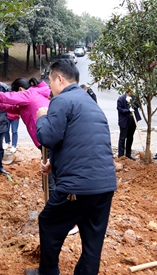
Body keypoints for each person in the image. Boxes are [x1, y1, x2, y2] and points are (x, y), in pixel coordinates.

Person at [25, 59, 116, 275]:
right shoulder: (90, 103)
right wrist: (53, 163)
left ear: (59, 78)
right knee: (92, 239)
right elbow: (81, 142)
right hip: (104, 185)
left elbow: (48, 137)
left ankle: (48, 272)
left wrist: (41, 118)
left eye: (50, 81)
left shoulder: (62, 100)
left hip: (78, 185)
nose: (50, 88)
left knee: (48, 221)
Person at [0, 76, 51, 150]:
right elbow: (16, 109)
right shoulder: (34, 94)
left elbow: (2, 97)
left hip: (45, 137)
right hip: (46, 136)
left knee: (49, 156)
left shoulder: (27, 95)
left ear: (20, 89)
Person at [116, 89, 141, 160]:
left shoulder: (134, 98)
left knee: (130, 137)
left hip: (133, 120)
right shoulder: (121, 99)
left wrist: (132, 102)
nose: (132, 92)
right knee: (122, 138)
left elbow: (138, 105)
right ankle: (120, 155)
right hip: (124, 121)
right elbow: (119, 109)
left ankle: (128, 154)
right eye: (130, 90)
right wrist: (128, 110)